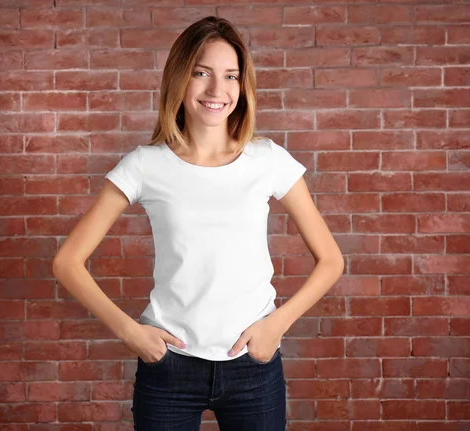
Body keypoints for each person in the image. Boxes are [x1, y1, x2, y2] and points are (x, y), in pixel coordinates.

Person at [53, 16, 344, 431]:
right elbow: (67, 262)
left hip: (253, 369)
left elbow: (331, 260)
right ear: (179, 78)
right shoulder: (145, 165)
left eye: (230, 76)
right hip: (169, 370)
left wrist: (277, 324)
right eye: (201, 73)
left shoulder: (268, 160)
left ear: (243, 87)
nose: (216, 90)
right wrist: (131, 333)